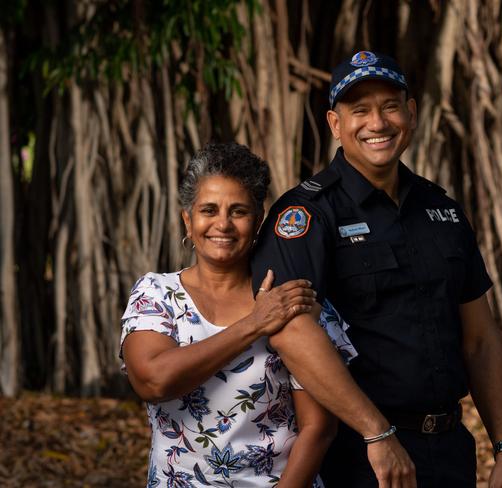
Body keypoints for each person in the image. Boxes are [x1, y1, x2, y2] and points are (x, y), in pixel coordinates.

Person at [251, 51, 502, 487]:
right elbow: (290, 331)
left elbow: (480, 338)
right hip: (361, 456)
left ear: (411, 113)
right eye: (359, 110)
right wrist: (376, 431)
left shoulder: (443, 210)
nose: (377, 123)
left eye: (390, 106)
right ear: (335, 124)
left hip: (451, 449)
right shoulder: (308, 214)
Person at [120, 142, 357, 488]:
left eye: (238, 211)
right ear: (188, 219)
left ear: (258, 221)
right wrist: (254, 324)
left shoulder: (290, 299)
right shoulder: (157, 294)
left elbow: (319, 427)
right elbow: (153, 381)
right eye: (209, 210)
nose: (223, 224)